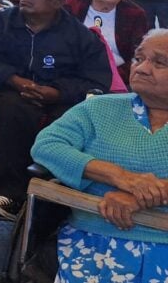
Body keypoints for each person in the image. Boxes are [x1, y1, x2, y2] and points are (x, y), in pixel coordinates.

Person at [0, 0, 112, 219]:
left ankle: (54, 195)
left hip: (60, 100)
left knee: (71, 122)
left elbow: (97, 79)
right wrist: (16, 81)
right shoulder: (0, 24)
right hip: (14, 93)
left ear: (58, 0)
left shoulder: (79, 36)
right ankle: (12, 194)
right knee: (11, 110)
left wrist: (56, 92)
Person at [30, 30, 168, 282]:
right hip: (90, 240)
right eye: (139, 59)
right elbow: (47, 145)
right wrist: (122, 177)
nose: (142, 69)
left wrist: (141, 198)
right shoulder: (99, 108)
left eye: (160, 63)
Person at [65, 0, 147, 82]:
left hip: (118, 76)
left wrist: (112, 76)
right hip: (73, 74)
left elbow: (139, 56)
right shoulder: (71, 7)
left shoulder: (135, 14)